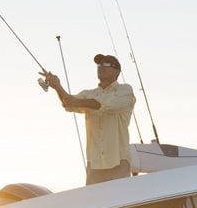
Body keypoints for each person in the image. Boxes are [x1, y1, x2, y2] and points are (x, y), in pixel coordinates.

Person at [41, 53, 137, 184]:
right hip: (94, 164)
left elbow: (102, 104)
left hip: (119, 161)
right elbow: (68, 104)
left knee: (122, 202)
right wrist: (57, 86)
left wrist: (76, 102)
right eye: (99, 64)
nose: (100, 67)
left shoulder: (125, 90)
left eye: (106, 64)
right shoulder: (89, 93)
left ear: (117, 70)